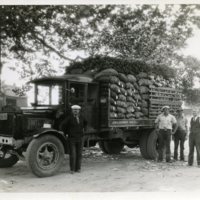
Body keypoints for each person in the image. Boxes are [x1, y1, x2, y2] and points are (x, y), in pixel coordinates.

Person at [60, 105, 87, 174]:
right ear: (72, 111)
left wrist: (84, 131)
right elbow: (62, 125)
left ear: (79, 111)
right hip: (72, 138)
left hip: (80, 138)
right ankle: (72, 169)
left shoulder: (82, 117)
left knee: (79, 154)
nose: (75, 111)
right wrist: (65, 133)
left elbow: (86, 123)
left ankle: (78, 169)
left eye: (77, 110)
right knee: (73, 154)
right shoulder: (69, 118)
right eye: (74, 110)